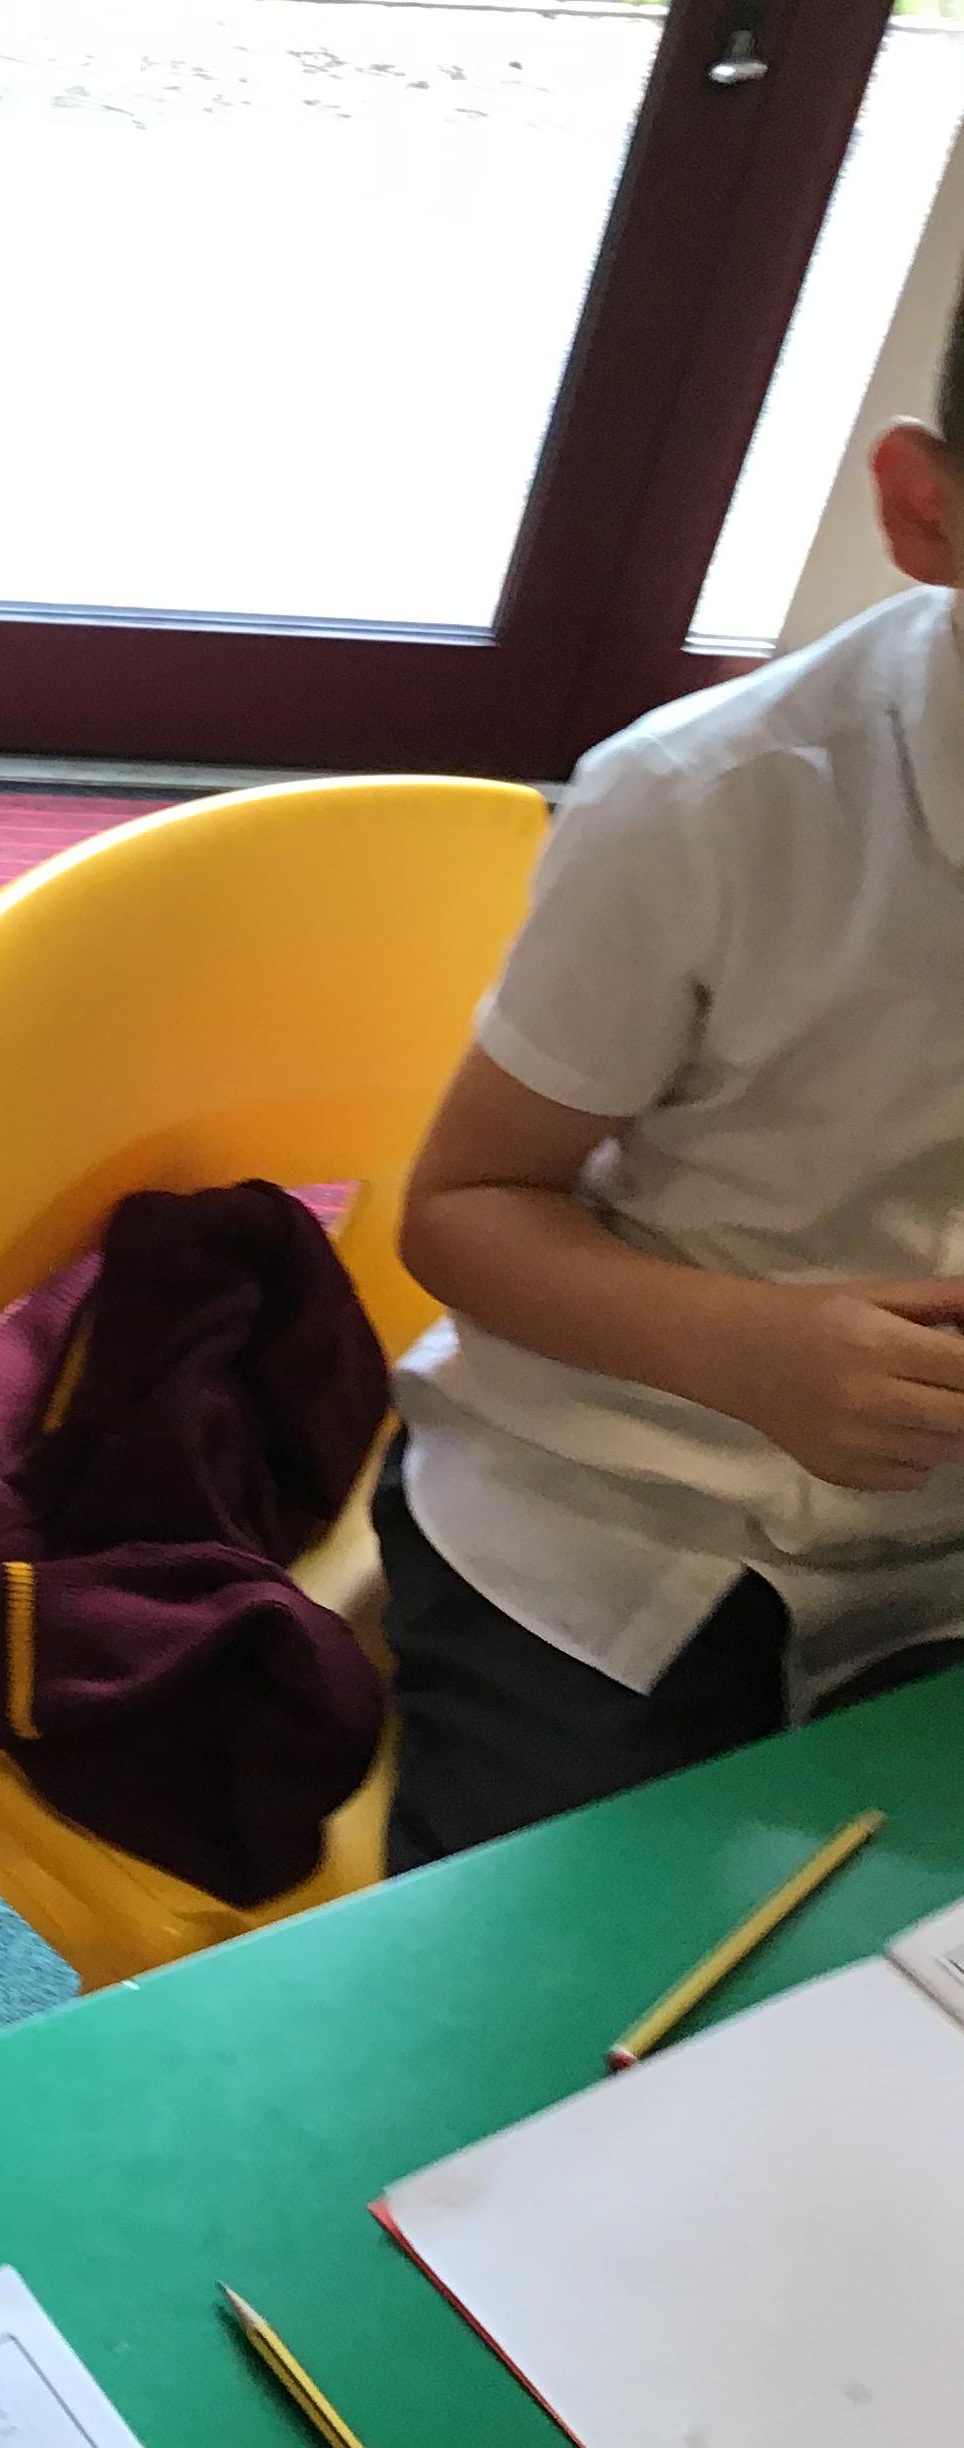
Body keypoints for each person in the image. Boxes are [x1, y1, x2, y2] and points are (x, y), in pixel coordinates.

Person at [382, 300, 964, 1873]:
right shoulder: (708, 802)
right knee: (565, 1989)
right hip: (622, 1492)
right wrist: (754, 1353)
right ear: (925, 509)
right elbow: (460, 1208)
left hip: (943, 1561)